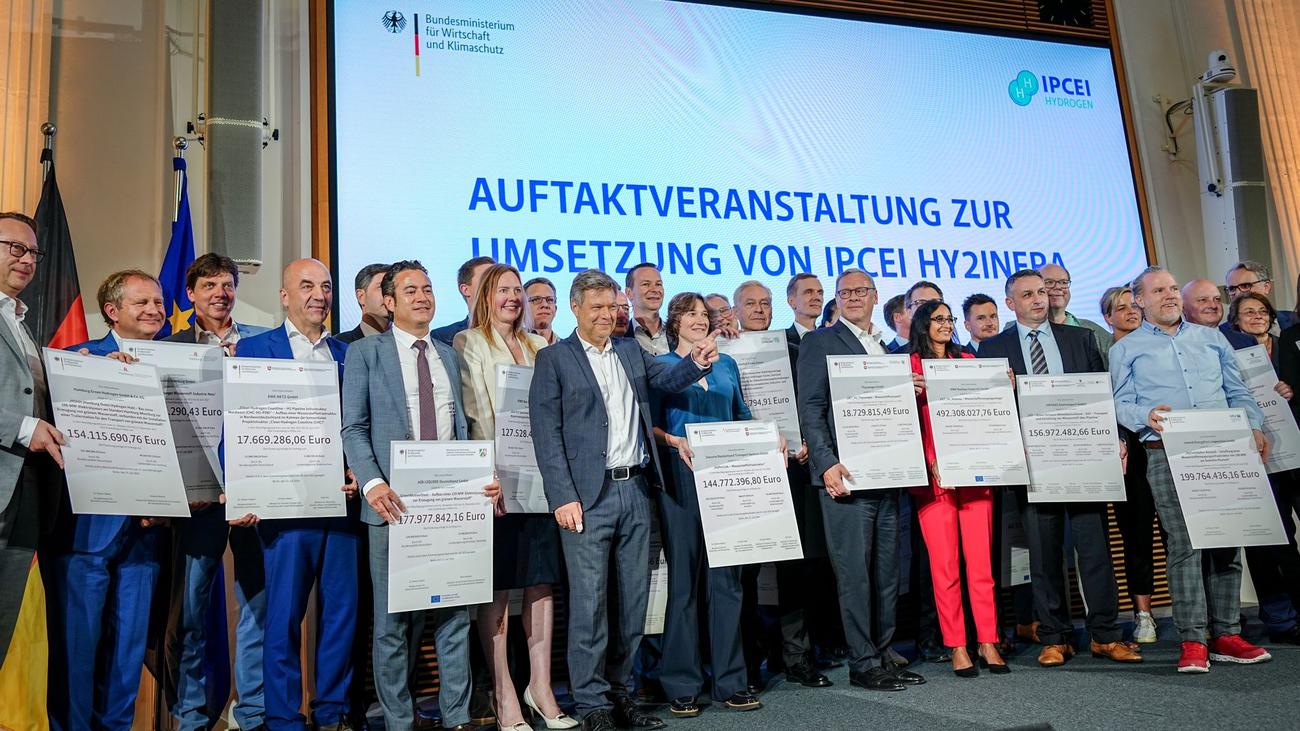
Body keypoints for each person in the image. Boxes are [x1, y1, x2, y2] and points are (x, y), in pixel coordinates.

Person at [529, 269, 720, 731]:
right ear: (575, 308)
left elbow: (670, 377)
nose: (605, 315)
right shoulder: (554, 359)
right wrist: (562, 497)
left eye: (611, 306)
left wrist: (697, 361)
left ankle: (620, 694)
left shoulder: (631, 350)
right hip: (586, 499)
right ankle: (592, 703)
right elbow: (546, 434)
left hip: (635, 491)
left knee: (633, 603)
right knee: (590, 606)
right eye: (596, 307)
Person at [342, 260, 502, 731]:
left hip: (452, 506)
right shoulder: (366, 354)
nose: (422, 297)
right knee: (392, 624)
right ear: (389, 302)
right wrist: (372, 483)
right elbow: (354, 428)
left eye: (428, 289)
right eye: (410, 290)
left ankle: (456, 717)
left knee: (454, 615)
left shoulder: (449, 355)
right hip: (392, 506)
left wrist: (484, 476)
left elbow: (464, 428)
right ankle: (398, 721)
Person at [1111, 265, 1273, 673]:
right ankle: (1193, 638)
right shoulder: (1126, 349)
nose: (1168, 295)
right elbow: (1117, 403)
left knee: (1227, 541)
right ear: (1140, 300)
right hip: (1167, 452)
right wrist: (1144, 414)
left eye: (1171, 288)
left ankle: (1227, 633)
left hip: (1224, 447)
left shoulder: (1211, 338)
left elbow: (1237, 390)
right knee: (1185, 545)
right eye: (1158, 291)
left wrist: (1254, 425)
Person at [978, 269, 1139, 667]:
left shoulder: (1079, 338)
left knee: (1095, 551)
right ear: (1010, 304)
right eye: (1028, 294)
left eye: (1042, 291)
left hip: (1083, 458)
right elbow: (988, 408)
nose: (1039, 299)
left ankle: (1105, 635)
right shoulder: (992, 347)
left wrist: (1117, 438)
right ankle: (1054, 637)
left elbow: (1104, 395)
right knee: (1043, 555)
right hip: (1032, 464)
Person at [235, 258, 360, 729]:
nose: (318, 295)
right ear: (284, 296)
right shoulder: (253, 350)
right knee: (283, 618)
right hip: (283, 510)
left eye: (325, 286)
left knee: (341, 616)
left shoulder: (348, 353)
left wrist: (359, 469)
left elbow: (361, 424)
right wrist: (243, 490)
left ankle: (331, 713)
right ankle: (284, 718)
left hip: (341, 506)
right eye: (306, 286)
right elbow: (236, 424)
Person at [453, 264, 573, 730]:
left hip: (542, 480)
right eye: (502, 290)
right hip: (498, 483)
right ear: (485, 296)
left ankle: (540, 688)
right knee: (499, 588)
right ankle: (504, 694)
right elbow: (476, 413)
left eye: (518, 290)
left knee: (541, 583)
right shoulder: (469, 342)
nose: (513, 297)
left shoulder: (539, 345)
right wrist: (492, 471)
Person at [48, 269, 168, 729]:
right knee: (77, 651)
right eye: (142, 302)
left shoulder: (180, 366)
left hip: (148, 533)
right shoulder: (77, 360)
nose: (154, 310)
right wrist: (97, 377)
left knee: (127, 654)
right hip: (86, 534)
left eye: (158, 302)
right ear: (112, 311)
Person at [796, 268, 924, 692]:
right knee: (854, 576)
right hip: (846, 479)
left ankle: (884, 653)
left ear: (875, 296)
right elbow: (811, 408)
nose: (853, 297)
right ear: (836, 299)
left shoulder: (885, 349)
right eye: (845, 292)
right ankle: (862, 662)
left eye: (861, 291)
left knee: (888, 574)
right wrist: (826, 463)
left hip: (887, 474)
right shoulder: (820, 342)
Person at [163, 253, 268, 730]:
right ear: (190, 294)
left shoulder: (261, 345)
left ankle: (251, 713)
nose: (220, 294)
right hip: (198, 499)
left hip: (255, 493)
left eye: (227, 285)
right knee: (190, 613)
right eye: (208, 286)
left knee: (257, 607)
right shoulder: (169, 348)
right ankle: (190, 715)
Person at [653, 291, 764, 718]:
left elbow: (741, 415)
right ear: (674, 322)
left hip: (727, 477)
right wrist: (672, 440)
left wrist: (768, 437)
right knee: (685, 581)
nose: (699, 319)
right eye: (690, 314)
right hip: (680, 477)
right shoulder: (660, 366)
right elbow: (650, 425)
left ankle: (730, 681)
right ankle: (682, 684)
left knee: (727, 581)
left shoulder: (728, 365)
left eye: (704, 314)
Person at [734, 280, 835, 690]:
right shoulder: (722, 352)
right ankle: (748, 661)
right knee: (746, 571)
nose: (759, 309)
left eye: (765, 303)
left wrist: (806, 441)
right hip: (742, 473)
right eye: (750, 303)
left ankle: (796, 655)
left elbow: (811, 404)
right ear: (736, 310)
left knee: (795, 567)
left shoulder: (794, 351)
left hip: (791, 467)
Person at [907, 300, 1007, 677]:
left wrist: (1003, 387)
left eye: (949, 319)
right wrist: (928, 457)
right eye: (938, 319)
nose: (946, 324)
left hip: (975, 474)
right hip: (934, 478)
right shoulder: (908, 367)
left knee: (981, 565)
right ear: (923, 323)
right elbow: (905, 423)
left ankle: (988, 640)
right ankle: (957, 645)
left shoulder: (968, 361)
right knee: (945, 566)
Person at [0, 213, 63, 674]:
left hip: (26, 496)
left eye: (33, 253)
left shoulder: (22, 323)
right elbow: (23, 415)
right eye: (15, 248)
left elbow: (33, 394)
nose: (27, 260)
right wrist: (24, 429)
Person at [1226, 293, 1300, 645]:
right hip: (1255, 455)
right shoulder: (1228, 354)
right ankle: (1282, 618)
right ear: (1235, 321)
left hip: (1295, 451)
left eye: (1262, 311)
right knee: (1271, 540)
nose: (1256, 316)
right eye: (1248, 312)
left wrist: (1293, 390)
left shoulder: (1289, 345)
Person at [1100, 285, 1159, 643]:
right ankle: (1143, 614)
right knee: (1135, 534)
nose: (1131, 311)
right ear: (1108, 317)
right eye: (1120, 308)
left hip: (1163, 443)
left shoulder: (1159, 348)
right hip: (1126, 452)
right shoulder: (1104, 356)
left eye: (1134, 305)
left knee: (1176, 533)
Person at [1040, 263, 1114, 365]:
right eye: (1049, 282)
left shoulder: (1091, 330)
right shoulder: (1024, 331)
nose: (1058, 287)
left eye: (1063, 282)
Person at [431, 256, 495, 346]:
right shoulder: (442, 337)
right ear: (465, 290)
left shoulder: (514, 333)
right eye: (486, 281)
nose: (494, 286)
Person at [1182, 278, 1256, 349]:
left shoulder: (1247, 341)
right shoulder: (1177, 344)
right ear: (1183, 307)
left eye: (1217, 299)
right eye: (1203, 300)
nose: (1213, 305)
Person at [1226, 260, 1296, 333]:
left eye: (1245, 286)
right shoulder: (1223, 333)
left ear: (1266, 287)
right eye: (1232, 289)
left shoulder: (1296, 320)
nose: (1237, 293)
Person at [338, 262, 390, 343]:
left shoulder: (406, 342)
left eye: (391, 288)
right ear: (361, 296)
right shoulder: (340, 344)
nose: (389, 293)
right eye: (381, 287)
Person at [626, 262, 668, 354]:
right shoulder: (620, 338)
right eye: (646, 284)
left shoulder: (679, 334)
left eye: (658, 284)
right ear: (629, 293)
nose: (654, 290)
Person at [786, 272, 824, 341]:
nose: (817, 297)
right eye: (808, 292)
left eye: (820, 293)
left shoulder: (830, 339)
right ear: (791, 301)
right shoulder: (783, 341)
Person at [524, 276, 560, 345]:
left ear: (555, 309)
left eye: (550, 300)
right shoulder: (511, 346)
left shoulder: (569, 348)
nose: (545, 305)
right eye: (536, 299)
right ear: (523, 308)